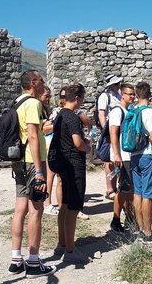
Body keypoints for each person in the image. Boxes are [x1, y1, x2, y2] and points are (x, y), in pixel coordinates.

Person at [8, 70, 56, 278]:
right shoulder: (33, 104)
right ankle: (34, 262)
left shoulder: (17, 101)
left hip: (18, 161)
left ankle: (16, 258)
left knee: (20, 209)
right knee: (36, 210)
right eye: (42, 81)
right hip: (31, 161)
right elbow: (34, 137)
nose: (44, 85)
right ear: (34, 83)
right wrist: (39, 171)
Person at [51, 84, 93, 264]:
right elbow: (77, 142)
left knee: (65, 206)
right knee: (73, 208)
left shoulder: (60, 114)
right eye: (82, 99)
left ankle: (62, 243)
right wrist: (88, 147)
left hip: (63, 163)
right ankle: (70, 250)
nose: (82, 102)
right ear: (77, 98)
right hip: (74, 164)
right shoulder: (73, 118)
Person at [130, 82, 152, 242]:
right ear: (149, 95)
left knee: (137, 193)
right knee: (148, 195)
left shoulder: (132, 112)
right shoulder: (149, 112)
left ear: (136, 96)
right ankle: (148, 232)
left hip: (134, 156)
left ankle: (140, 229)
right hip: (148, 155)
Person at [109, 82, 136, 233]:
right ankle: (115, 219)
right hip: (122, 156)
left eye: (133, 94)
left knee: (129, 188)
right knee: (123, 188)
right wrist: (117, 154)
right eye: (130, 94)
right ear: (122, 95)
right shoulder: (117, 111)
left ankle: (129, 217)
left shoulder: (127, 111)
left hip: (128, 155)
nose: (132, 97)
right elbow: (113, 133)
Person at [96, 74, 122, 200]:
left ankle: (115, 187)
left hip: (118, 130)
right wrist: (106, 130)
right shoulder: (104, 96)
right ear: (111, 85)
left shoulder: (118, 95)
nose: (119, 85)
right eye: (117, 84)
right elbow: (102, 114)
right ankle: (109, 189)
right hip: (110, 131)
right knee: (108, 160)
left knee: (115, 159)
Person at [41, 86, 63, 216]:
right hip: (47, 145)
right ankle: (47, 203)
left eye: (50, 96)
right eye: (46, 96)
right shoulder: (41, 109)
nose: (48, 99)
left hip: (49, 144)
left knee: (53, 175)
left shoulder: (46, 109)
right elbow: (44, 128)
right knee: (50, 175)